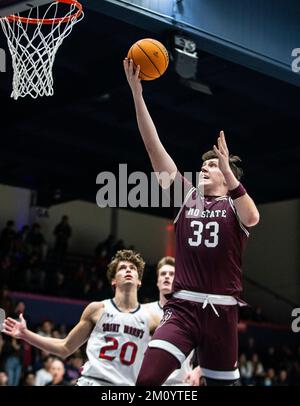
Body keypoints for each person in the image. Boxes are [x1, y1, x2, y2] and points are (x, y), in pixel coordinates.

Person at [124, 58, 260, 386]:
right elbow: (154, 147)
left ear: (227, 177)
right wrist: (137, 95)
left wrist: (228, 171)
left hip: (222, 313)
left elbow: (253, 217)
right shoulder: (186, 197)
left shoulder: (234, 205)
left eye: (212, 166)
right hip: (183, 308)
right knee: (145, 383)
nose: (204, 168)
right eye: (205, 165)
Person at [2, 250, 160, 386]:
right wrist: (25, 334)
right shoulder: (97, 309)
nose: (128, 270)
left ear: (139, 280)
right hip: (91, 381)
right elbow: (65, 347)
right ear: (113, 280)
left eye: (132, 268)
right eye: (122, 268)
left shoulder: (151, 319)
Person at [143, 256, 200, 386]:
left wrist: (200, 370)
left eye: (172, 274)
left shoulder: (192, 314)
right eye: (163, 274)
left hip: (182, 384)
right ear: (157, 281)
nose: (167, 277)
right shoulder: (143, 311)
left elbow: (214, 345)